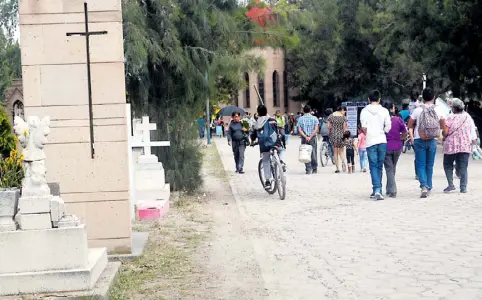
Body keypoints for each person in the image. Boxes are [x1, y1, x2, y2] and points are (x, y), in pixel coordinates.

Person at [408, 87, 446, 198]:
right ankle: (429, 186)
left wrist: (412, 136)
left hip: (419, 139)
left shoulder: (417, 110)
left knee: (420, 164)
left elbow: (410, 125)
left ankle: (423, 186)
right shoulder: (438, 110)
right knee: (429, 165)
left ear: (422, 97)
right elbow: (443, 126)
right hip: (432, 140)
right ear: (434, 97)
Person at [360, 90, 391, 201]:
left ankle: (376, 189)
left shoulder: (364, 111)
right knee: (379, 165)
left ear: (368, 99)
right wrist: (383, 131)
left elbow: (364, 127)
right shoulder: (384, 111)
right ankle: (378, 189)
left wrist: (368, 133)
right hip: (382, 140)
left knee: (373, 165)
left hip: (370, 141)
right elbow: (388, 126)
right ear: (379, 99)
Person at [442, 98, 477, 193]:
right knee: (463, 167)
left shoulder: (449, 117)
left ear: (453, 108)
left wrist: (443, 136)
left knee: (447, 164)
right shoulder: (468, 117)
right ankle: (463, 187)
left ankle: (450, 184)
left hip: (450, 146)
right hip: (464, 145)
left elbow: (445, 132)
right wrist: (474, 142)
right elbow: (472, 130)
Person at [251, 105, 286, 189]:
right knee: (281, 150)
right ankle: (281, 161)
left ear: (258, 113)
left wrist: (252, 142)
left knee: (266, 160)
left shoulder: (257, 122)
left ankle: (267, 181)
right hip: (275, 142)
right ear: (266, 111)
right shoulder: (273, 120)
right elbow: (277, 131)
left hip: (264, 145)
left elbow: (253, 135)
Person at [384, 104, 407, 198]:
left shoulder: (383, 121)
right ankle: (389, 188)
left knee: (389, 169)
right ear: (392, 109)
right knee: (392, 168)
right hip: (397, 146)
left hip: (386, 146)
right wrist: (400, 138)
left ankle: (392, 190)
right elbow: (405, 132)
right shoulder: (398, 119)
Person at [297, 105, 320, 174]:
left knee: (305, 153)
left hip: (304, 138)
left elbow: (299, 129)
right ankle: (314, 168)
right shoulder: (315, 118)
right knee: (313, 152)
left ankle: (308, 168)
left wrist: (305, 136)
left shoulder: (300, 119)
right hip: (312, 138)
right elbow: (316, 129)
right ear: (310, 110)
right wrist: (310, 136)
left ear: (303, 111)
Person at [328, 106, 348, 173]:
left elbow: (328, 126)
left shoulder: (331, 116)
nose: (344, 112)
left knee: (335, 152)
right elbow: (345, 128)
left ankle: (337, 168)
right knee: (341, 151)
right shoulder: (343, 118)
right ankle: (343, 161)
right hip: (341, 135)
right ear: (341, 110)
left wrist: (333, 127)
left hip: (334, 135)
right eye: (344, 110)